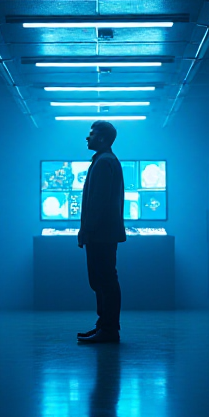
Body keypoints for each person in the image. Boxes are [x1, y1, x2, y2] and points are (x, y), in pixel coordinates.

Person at [77, 121, 126, 344]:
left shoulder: (104, 162)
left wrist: (86, 229)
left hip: (100, 234)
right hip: (103, 232)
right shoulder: (105, 160)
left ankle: (108, 330)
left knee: (104, 281)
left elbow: (98, 202)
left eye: (92, 135)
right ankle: (104, 326)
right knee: (102, 280)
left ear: (103, 139)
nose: (88, 138)